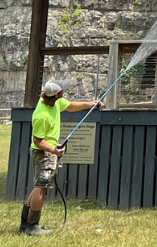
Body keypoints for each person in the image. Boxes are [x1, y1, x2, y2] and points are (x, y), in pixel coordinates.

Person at [20, 79, 102, 236]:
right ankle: (31, 226)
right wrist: (54, 151)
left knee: (39, 185)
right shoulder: (42, 115)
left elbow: (70, 106)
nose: (64, 91)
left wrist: (90, 104)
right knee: (41, 187)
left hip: (48, 152)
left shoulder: (54, 102)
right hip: (44, 153)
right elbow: (37, 140)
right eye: (62, 90)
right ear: (57, 94)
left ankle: (25, 223)